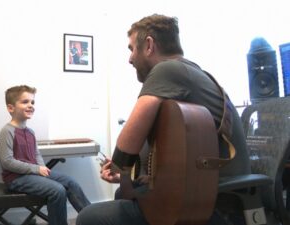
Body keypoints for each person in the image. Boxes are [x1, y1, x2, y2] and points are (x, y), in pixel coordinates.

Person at [76, 14, 250, 225]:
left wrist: (120, 168)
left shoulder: (167, 69)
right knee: (123, 192)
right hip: (214, 196)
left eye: (132, 49)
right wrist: (126, 174)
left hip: (210, 206)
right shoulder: (192, 73)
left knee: (89, 217)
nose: (130, 58)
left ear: (148, 45)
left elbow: (124, 152)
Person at [0, 85, 91, 225]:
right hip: (16, 178)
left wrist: (41, 167)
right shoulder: (7, 131)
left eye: (32, 102)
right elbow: (7, 161)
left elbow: (36, 153)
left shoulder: (30, 132)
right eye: (25, 102)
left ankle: (93, 218)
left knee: (70, 183)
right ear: (11, 108)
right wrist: (36, 169)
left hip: (32, 174)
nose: (30, 105)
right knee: (57, 190)